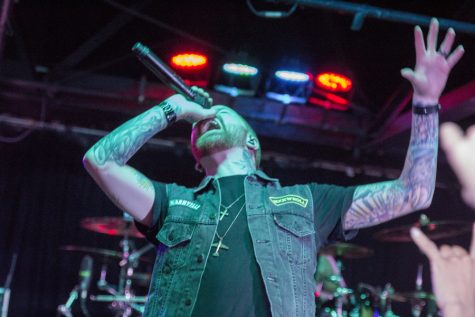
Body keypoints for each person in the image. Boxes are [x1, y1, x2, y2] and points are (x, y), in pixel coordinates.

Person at [83, 18, 463, 317]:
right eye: (200, 121)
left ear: (253, 143)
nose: (207, 117)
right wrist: (171, 110)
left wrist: (426, 102)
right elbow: (99, 161)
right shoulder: (173, 203)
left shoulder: (306, 202)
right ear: (195, 158)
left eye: (222, 113)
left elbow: (414, 193)